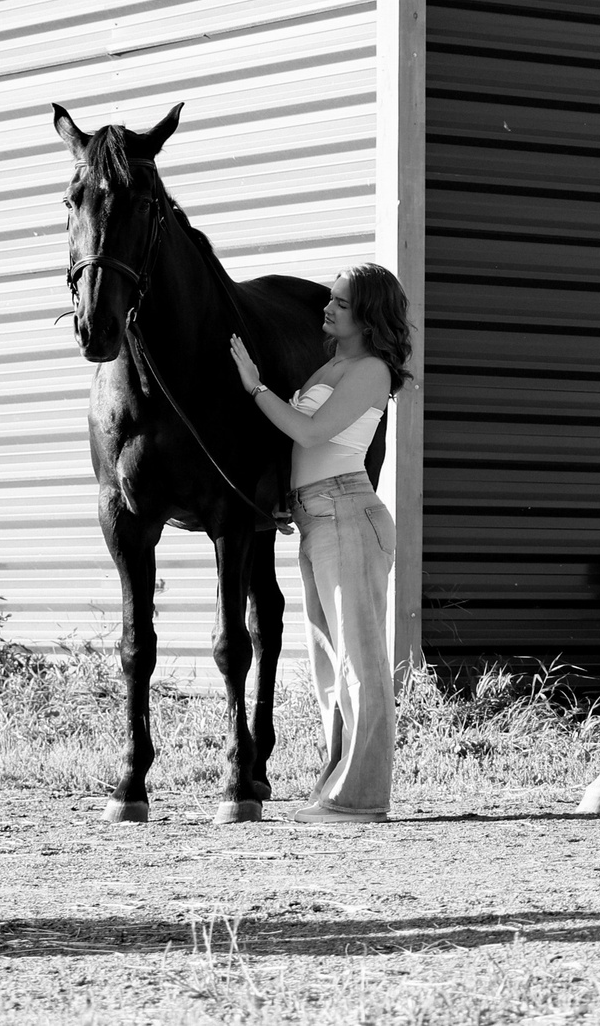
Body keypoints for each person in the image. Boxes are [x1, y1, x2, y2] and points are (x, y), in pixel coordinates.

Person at [228, 265, 407, 824]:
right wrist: (285, 496)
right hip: (315, 516)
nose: (327, 308)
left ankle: (362, 797)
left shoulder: (373, 370)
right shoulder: (334, 363)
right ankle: (337, 789)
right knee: (330, 667)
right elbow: (306, 452)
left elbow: (309, 433)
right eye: (330, 299)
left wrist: (255, 386)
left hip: (347, 512)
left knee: (360, 663)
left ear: (369, 316)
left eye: (342, 303)